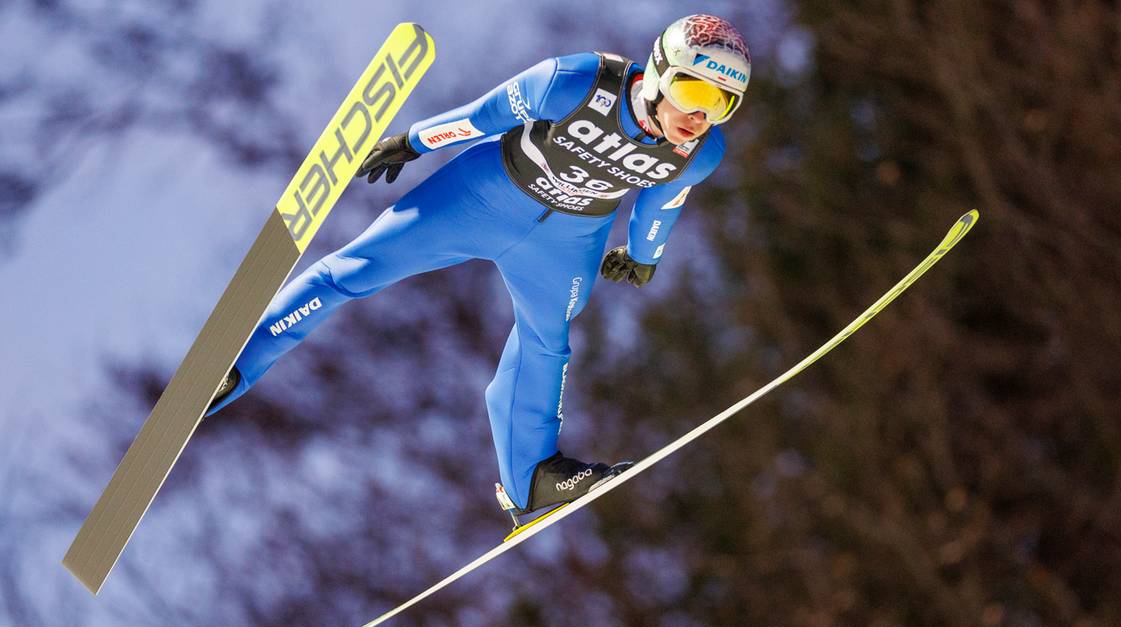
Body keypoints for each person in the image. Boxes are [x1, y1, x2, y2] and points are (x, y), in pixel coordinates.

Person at [206, 14, 751, 525]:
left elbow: (663, 200)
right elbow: (483, 115)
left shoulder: (699, 152)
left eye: (724, 103)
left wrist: (643, 256)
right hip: (485, 195)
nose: (701, 114)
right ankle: (235, 365)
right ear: (657, 73)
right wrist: (413, 141)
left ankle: (531, 481)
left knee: (547, 342)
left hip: (568, 239)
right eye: (693, 91)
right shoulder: (577, 80)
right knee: (354, 269)